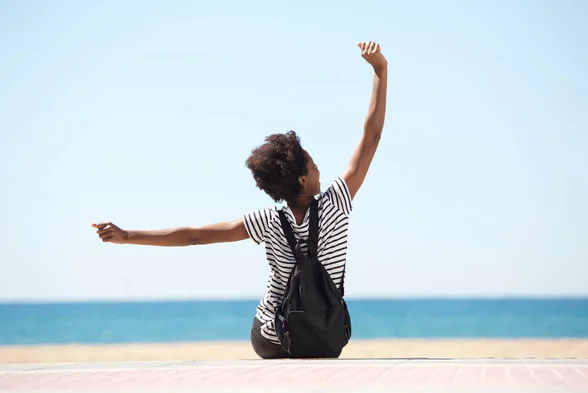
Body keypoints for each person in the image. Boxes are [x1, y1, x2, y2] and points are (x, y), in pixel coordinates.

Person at [92, 41, 388, 359]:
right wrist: (379, 71)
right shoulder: (336, 203)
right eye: (313, 165)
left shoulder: (267, 220)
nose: (319, 169)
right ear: (302, 179)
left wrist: (127, 237)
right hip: (325, 337)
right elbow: (371, 136)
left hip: (274, 339)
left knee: (267, 323)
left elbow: (192, 236)